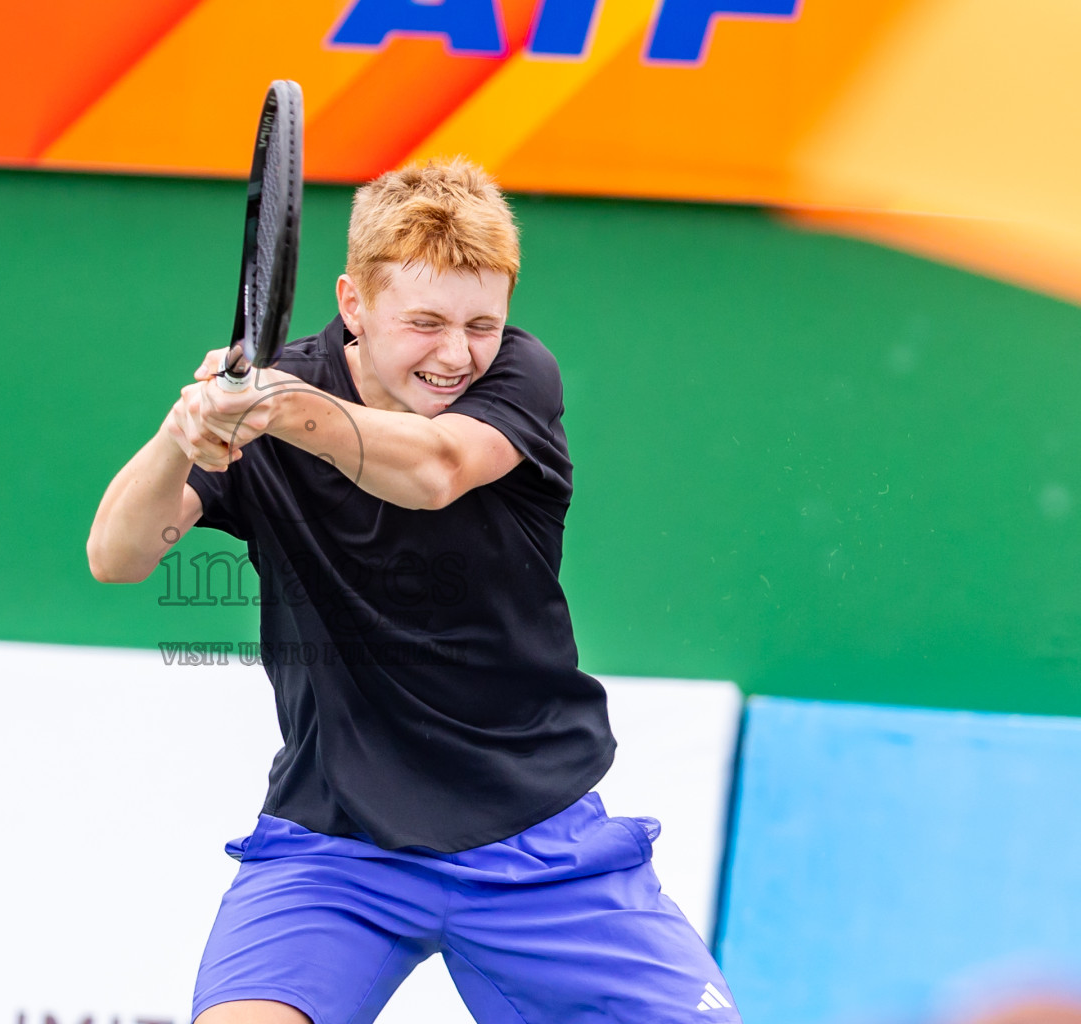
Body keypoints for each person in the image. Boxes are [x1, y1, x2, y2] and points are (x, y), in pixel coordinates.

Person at [88, 158, 739, 1023]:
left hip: (536, 844)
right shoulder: (279, 388)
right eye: (425, 322)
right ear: (354, 304)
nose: (457, 353)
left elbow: (434, 471)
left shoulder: (518, 379)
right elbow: (118, 554)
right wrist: (183, 432)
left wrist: (276, 410)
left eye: (481, 323)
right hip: (334, 849)